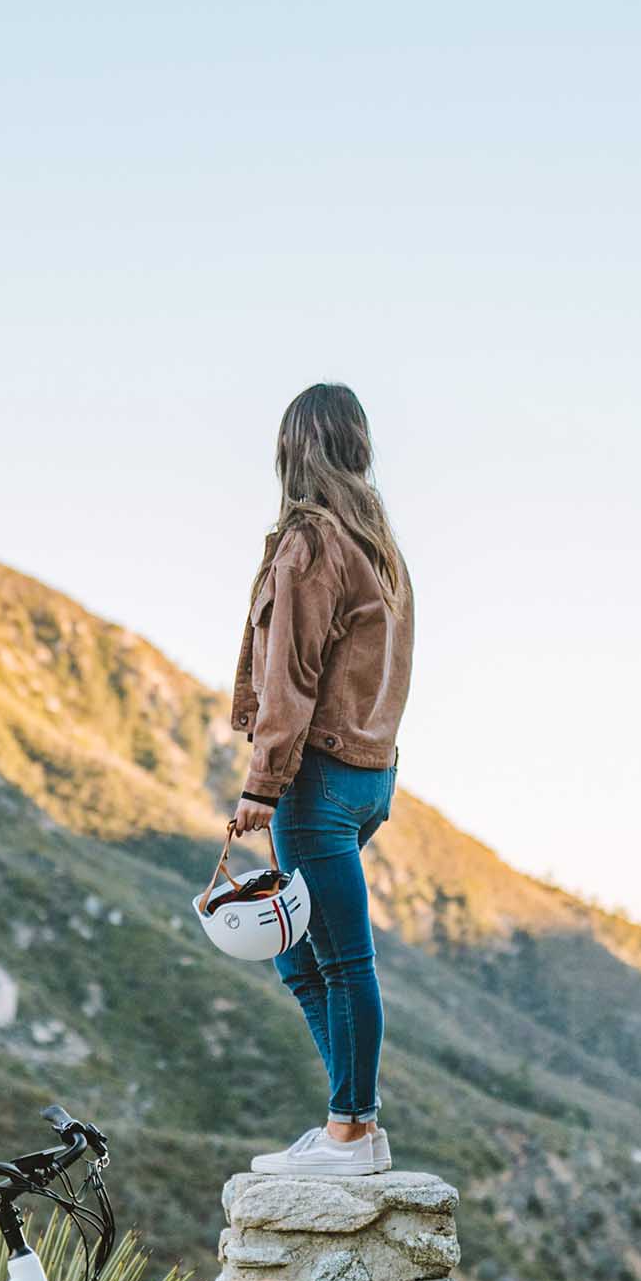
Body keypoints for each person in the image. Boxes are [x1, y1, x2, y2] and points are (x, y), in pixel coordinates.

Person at [228, 383, 413, 1178]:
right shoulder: (380, 548)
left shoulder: (311, 543)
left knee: (340, 961)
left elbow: (292, 677)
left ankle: (351, 1132)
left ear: (292, 450)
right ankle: (350, 1116)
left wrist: (261, 785)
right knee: (299, 955)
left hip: (318, 782)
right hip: (370, 777)